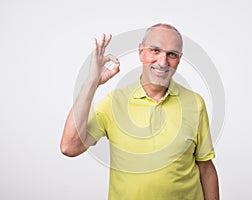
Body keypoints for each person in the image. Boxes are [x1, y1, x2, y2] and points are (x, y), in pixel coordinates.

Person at [60, 23, 219, 200]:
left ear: (179, 60)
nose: (163, 62)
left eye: (172, 54)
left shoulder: (195, 103)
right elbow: (69, 147)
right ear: (141, 52)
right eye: (155, 50)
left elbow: (205, 168)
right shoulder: (114, 102)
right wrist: (91, 82)